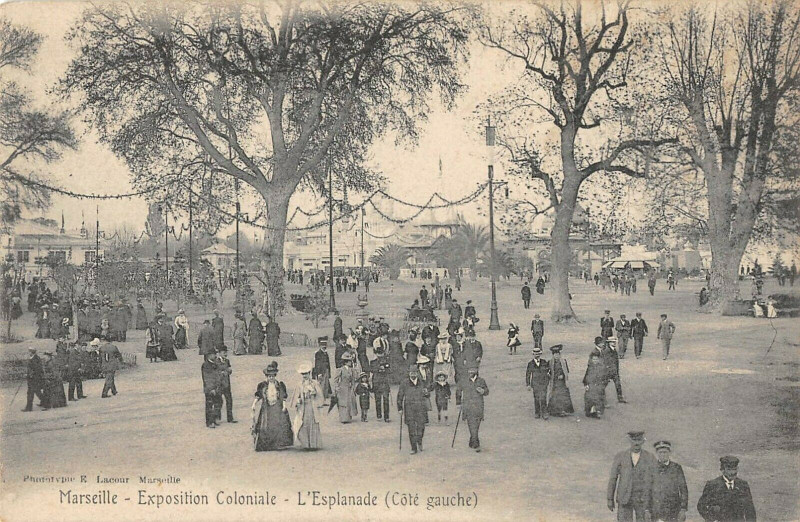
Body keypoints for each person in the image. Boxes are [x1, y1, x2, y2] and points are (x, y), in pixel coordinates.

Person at [607, 431, 656, 521]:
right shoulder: (620, 456)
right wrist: (610, 498)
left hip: (642, 499)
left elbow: (655, 480)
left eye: (639, 440)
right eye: (634, 440)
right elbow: (613, 479)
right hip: (625, 497)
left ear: (642, 442)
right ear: (629, 441)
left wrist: (654, 501)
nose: (636, 443)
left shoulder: (650, 457)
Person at [697, 456, 756, 522]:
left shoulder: (743, 485)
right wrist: (711, 520)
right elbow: (701, 506)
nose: (732, 472)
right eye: (729, 469)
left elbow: (750, 510)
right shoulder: (712, 485)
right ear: (722, 470)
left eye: (735, 469)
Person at [251, 361, 294, 450]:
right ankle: (267, 445)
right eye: (269, 376)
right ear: (266, 376)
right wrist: (254, 404)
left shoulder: (279, 385)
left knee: (278, 425)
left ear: (275, 376)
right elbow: (258, 395)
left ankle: (278, 444)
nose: (271, 378)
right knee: (266, 426)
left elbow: (283, 397)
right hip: (266, 409)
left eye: (273, 376)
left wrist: (284, 405)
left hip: (277, 408)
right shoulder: (262, 385)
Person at [651, 441, 688, 522]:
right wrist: (646, 510)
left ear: (669, 453)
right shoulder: (651, 468)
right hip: (656, 510)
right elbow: (647, 489)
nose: (663, 455)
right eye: (660, 452)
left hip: (673, 510)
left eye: (665, 452)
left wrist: (683, 509)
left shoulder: (676, 468)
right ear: (657, 453)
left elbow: (683, 489)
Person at [289, 363, 324, 450]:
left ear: (309, 373)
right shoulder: (299, 385)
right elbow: (295, 397)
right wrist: (298, 401)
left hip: (312, 406)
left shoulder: (314, 383)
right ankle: (305, 444)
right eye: (303, 374)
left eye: (306, 373)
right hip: (303, 407)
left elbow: (320, 395)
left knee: (312, 423)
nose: (305, 375)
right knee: (303, 424)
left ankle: (313, 444)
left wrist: (315, 394)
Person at [397, 364, 429, 455]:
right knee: (411, 428)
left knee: (421, 427)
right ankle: (413, 447)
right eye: (411, 373)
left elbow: (427, 395)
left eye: (414, 373)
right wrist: (400, 408)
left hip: (421, 408)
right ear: (409, 373)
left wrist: (427, 394)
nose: (413, 375)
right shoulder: (404, 383)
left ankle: (419, 440)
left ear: (417, 373)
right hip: (409, 408)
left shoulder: (422, 382)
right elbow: (400, 396)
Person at [456, 365, 489, 452]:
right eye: (469, 371)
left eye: (472, 371)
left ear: (476, 372)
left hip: (478, 407)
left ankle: (473, 439)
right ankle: (475, 443)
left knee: (476, 425)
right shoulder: (464, 381)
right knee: (471, 425)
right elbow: (458, 391)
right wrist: (458, 402)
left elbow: (487, 391)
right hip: (468, 407)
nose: (470, 373)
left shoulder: (481, 381)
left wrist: (483, 391)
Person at [547, 344, 574, 417]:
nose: (556, 356)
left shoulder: (564, 361)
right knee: (555, 395)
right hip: (554, 382)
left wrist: (562, 375)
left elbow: (566, 370)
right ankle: (555, 411)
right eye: (555, 355)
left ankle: (564, 410)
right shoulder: (550, 362)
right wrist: (549, 375)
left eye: (558, 354)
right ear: (553, 355)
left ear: (560, 355)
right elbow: (548, 371)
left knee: (563, 395)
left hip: (562, 382)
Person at [526, 347, 551, 420]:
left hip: (543, 383)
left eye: (538, 354)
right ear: (533, 354)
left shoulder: (544, 362)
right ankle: (537, 412)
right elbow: (528, 374)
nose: (537, 355)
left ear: (540, 354)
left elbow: (549, 371)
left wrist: (547, 380)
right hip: (535, 383)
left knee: (543, 398)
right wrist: (528, 384)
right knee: (536, 398)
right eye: (535, 354)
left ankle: (544, 412)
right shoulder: (530, 364)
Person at [369, 339, 392, 422]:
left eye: (381, 353)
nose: (380, 355)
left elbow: (390, 370)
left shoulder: (387, 361)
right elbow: (371, 370)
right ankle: (379, 415)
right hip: (377, 383)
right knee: (377, 400)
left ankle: (386, 416)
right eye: (378, 353)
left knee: (386, 400)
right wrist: (379, 369)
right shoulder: (373, 362)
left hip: (385, 382)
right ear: (376, 353)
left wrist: (385, 369)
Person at [333, 353, 359, 423]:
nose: (351, 363)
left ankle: (348, 417)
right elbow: (336, 380)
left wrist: (353, 387)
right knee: (343, 403)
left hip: (349, 387)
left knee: (349, 402)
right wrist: (336, 387)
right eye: (349, 361)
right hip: (342, 387)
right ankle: (343, 418)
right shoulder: (340, 370)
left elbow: (354, 379)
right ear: (346, 362)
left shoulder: (352, 370)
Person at [583, 348, 607, 418]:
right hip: (590, 386)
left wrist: (602, 385)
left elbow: (605, 377)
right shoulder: (590, 367)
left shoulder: (602, 368)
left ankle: (598, 411)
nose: (595, 361)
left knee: (598, 399)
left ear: (599, 360)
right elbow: (586, 376)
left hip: (598, 386)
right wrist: (586, 384)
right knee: (589, 398)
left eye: (596, 359)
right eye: (593, 359)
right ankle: (590, 411)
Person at [216, 346, 235, 423]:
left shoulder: (227, 361)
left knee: (229, 401)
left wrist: (229, 371)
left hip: (227, 384)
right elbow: (215, 373)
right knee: (219, 401)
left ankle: (230, 418)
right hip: (219, 384)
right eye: (224, 352)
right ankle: (217, 418)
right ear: (219, 353)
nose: (225, 354)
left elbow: (229, 370)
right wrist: (223, 373)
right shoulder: (216, 361)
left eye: (226, 352)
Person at [604, 337, 627, 403]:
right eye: (612, 342)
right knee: (603, 386)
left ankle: (620, 398)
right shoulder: (607, 351)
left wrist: (617, 371)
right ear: (609, 343)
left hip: (615, 371)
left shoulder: (614, 350)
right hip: (608, 371)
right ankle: (602, 400)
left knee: (618, 384)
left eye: (614, 342)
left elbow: (616, 362)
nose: (614, 343)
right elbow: (605, 362)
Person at [22, 347, 45, 412]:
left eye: (29, 351)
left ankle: (29, 408)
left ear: (32, 352)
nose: (28, 353)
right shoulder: (33, 358)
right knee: (37, 391)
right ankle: (45, 402)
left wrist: (29, 375)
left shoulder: (35, 359)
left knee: (30, 393)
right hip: (33, 378)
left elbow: (37, 369)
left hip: (34, 379)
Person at [201, 354, 221, 428]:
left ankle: (214, 420)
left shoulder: (214, 363)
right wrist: (211, 388)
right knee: (209, 405)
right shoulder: (206, 365)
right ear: (209, 355)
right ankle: (209, 422)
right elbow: (207, 378)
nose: (215, 355)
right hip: (209, 389)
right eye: (213, 354)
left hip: (216, 388)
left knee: (217, 404)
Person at [313, 336, 332, 402]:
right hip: (321, 371)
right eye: (323, 345)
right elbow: (317, 364)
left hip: (326, 370)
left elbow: (328, 363)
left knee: (326, 385)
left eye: (325, 345)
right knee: (321, 386)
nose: (324, 347)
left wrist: (329, 372)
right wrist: (319, 373)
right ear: (320, 346)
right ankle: (320, 400)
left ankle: (324, 399)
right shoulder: (318, 353)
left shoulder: (326, 353)